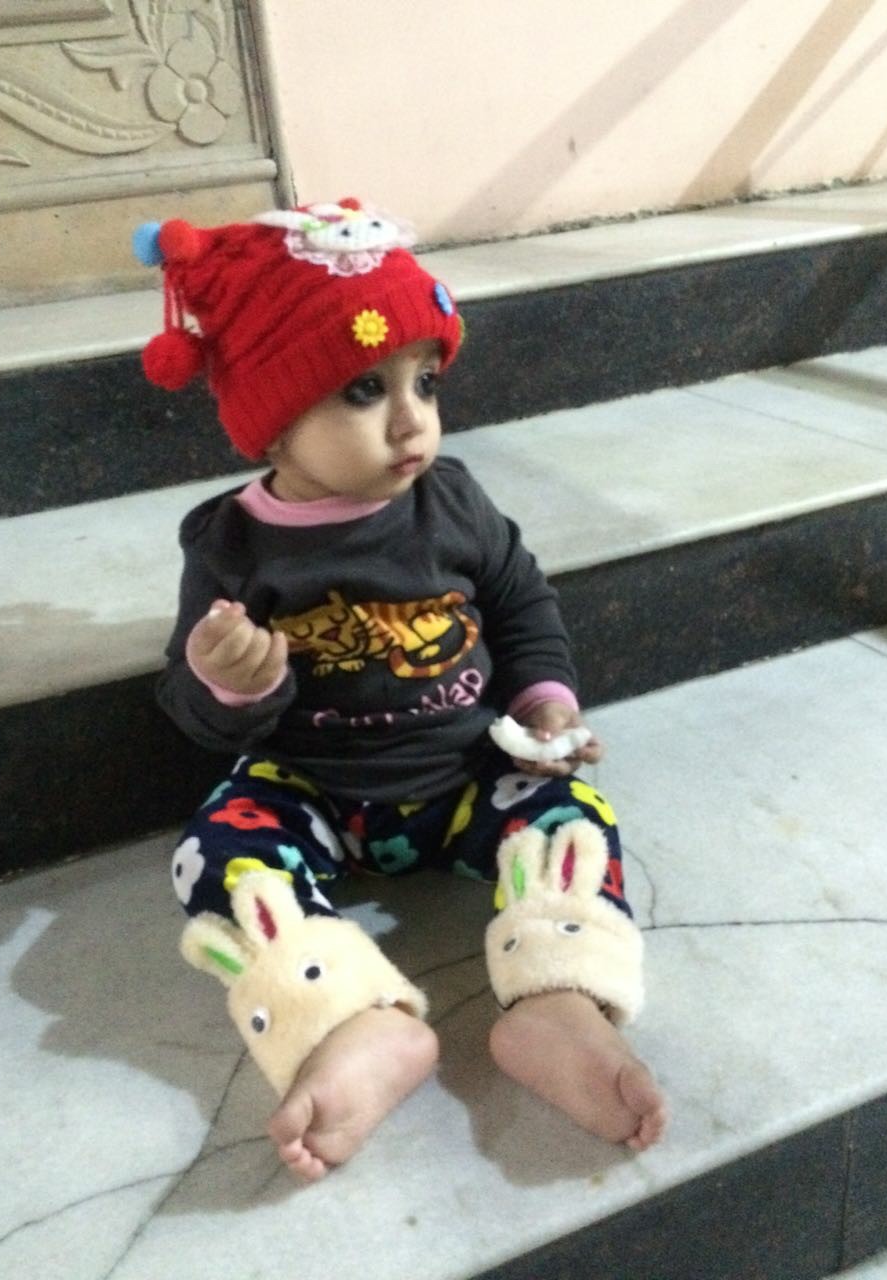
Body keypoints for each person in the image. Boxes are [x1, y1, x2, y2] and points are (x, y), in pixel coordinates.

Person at [135, 198, 667, 1183]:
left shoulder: (452, 500)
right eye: (363, 389)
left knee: (573, 818)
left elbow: (520, 602)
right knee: (214, 858)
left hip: (466, 770)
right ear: (274, 419)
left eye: (425, 380)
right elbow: (194, 710)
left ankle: (559, 1000)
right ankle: (347, 1022)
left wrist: (545, 704)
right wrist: (230, 681)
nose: (412, 417)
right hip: (310, 785)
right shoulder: (232, 546)